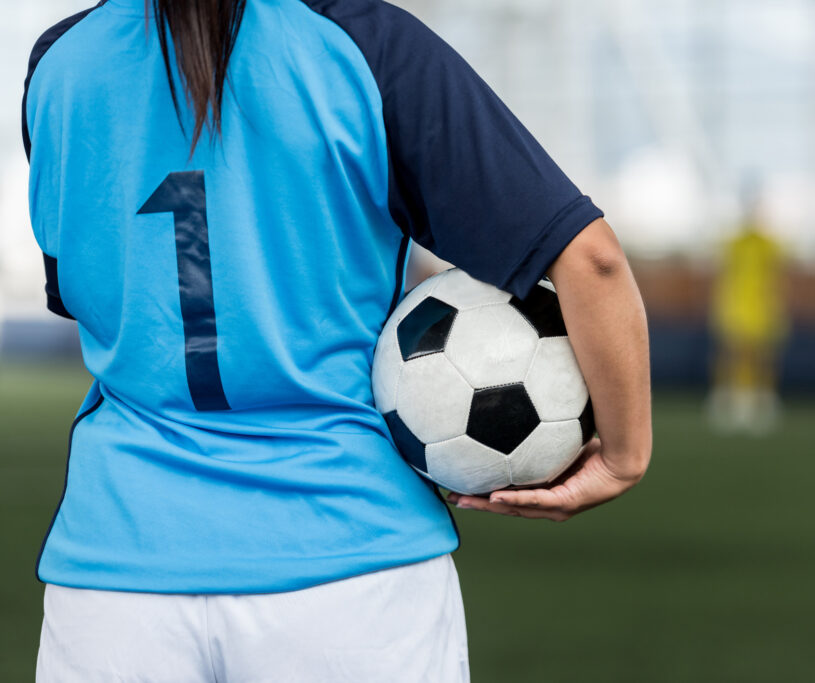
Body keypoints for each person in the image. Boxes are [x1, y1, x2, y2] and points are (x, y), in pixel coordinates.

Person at [22, 0, 652, 680]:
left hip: (114, 579)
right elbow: (592, 261)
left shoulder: (58, 65)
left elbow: (86, 295)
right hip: (352, 572)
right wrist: (624, 453)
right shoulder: (366, 45)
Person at [707, 208, 788, 434]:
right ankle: (728, 400)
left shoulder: (770, 245)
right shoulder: (733, 244)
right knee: (731, 354)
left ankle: (761, 401)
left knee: (763, 355)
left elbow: (779, 277)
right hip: (735, 306)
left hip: (762, 307)